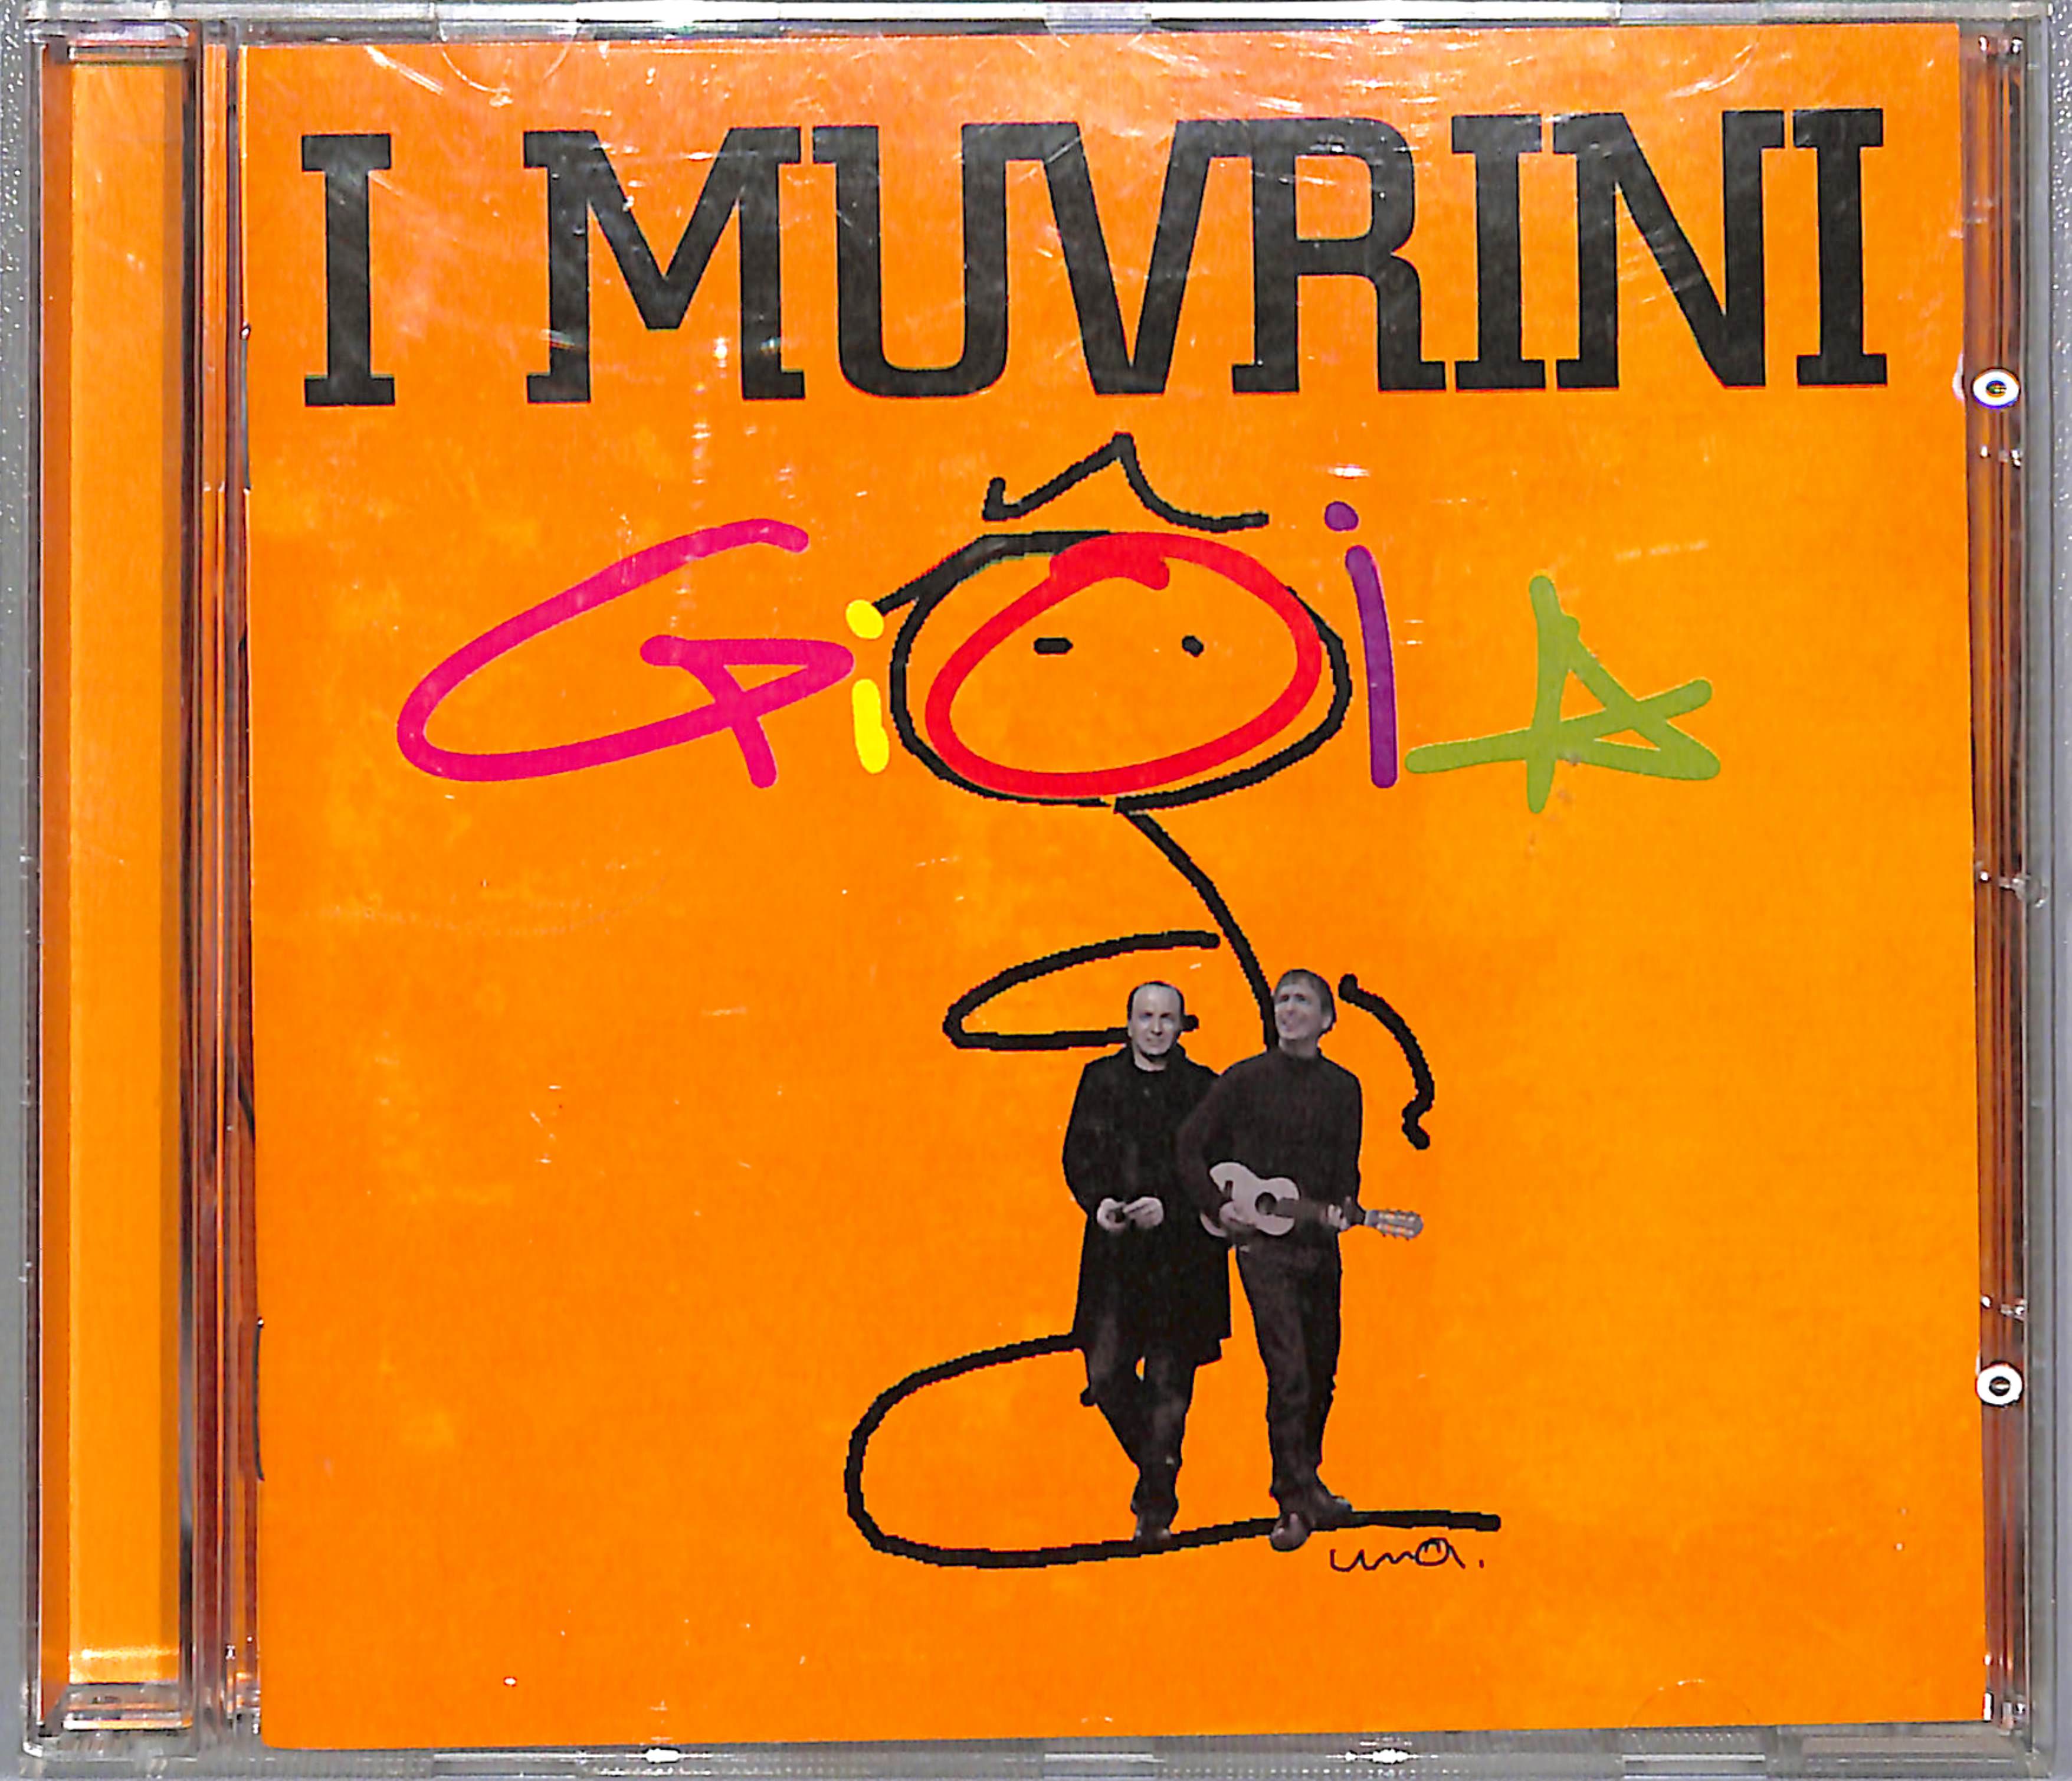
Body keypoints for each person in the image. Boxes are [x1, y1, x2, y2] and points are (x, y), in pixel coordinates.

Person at [1178, 968, 1362, 1553]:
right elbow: (1188, 1146)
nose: (1288, 1009)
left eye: (1302, 1001)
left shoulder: (1345, 1088)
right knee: (1289, 1374)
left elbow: (1346, 1170)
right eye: (1282, 1000)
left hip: (1319, 1248)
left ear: (1327, 1019)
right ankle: (1291, 1503)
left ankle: (1309, 1482)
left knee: (1321, 1373)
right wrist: (1218, 1207)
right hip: (1263, 1250)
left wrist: (1346, 1206)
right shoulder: (1243, 1080)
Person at [1061, 981, 1228, 1545]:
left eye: (1167, 1018)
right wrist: (1100, 1203)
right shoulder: (1100, 1080)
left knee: (1169, 1388)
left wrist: (1172, 1208)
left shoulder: (1205, 1087)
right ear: (1129, 1023)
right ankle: (1161, 1468)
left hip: (1183, 1263)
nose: (1156, 1028)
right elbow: (1077, 1156)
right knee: (1106, 1375)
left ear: (1182, 1025)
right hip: (1116, 1262)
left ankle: (1154, 1512)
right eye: (1146, 1017)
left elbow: (1222, 1172)